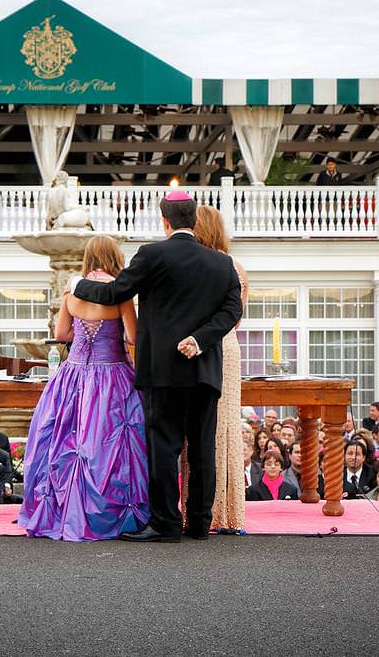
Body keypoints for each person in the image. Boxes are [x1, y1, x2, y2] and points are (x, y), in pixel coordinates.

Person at [71, 192, 242, 543]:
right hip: (203, 370)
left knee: (164, 449)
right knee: (202, 449)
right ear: (194, 220)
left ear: (165, 222)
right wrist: (200, 338)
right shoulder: (221, 264)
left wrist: (79, 285)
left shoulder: (152, 255)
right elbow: (231, 312)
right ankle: (198, 524)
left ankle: (165, 524)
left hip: (162, 372)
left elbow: (116, 292)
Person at [19, 235, 149, 541]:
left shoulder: (70, 291)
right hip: (111, 375)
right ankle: (112, 511)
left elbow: (62, 333)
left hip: (73, 375)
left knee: (63, 439)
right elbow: (132, 336)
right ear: (115, 257)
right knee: (111, 442)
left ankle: (60, 508)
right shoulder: (120, 294)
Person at [185, 205, 247, 531]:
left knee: (203, 430)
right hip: (228, 343)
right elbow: (236, 315)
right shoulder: (234, 267)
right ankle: (223, 510)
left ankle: (196, 509)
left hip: (207, 345)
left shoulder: (200, 266)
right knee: (218, 429)